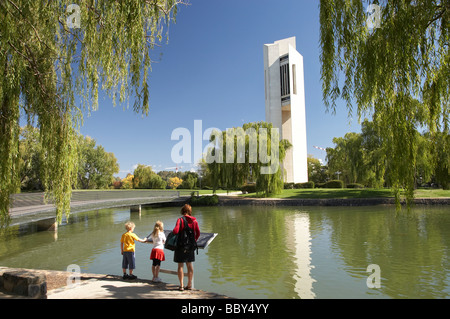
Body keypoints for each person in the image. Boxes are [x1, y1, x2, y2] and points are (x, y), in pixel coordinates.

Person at [172, 204, 200, 291]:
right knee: (189, 264)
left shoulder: (180, 220)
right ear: (190, 211)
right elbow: (198, 233)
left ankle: (181, 285)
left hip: (180, 245)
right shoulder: (194, 221)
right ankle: (189, 284)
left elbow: (175, 231)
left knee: (180, 265)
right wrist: (193, 240)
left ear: (182, 211)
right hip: (190, 246)